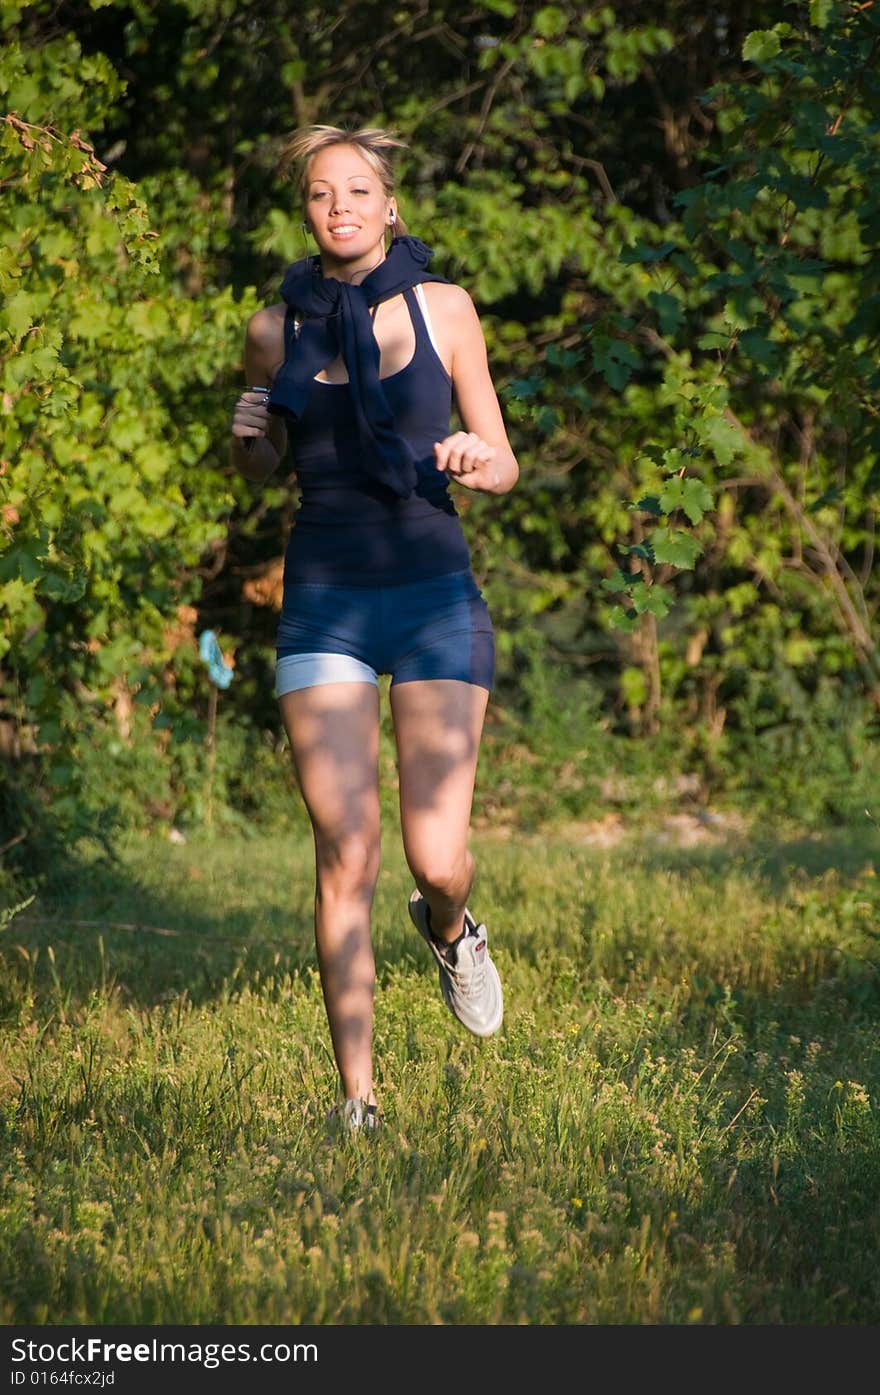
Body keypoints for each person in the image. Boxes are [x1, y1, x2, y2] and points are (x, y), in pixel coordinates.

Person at [230, 124, 519, 1132]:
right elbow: (263, 472)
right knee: (345, 845)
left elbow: (503, 455)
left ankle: (450, 927)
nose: (340, 206)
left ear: (389, 207)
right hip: (326, 598)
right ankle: (357, 1100)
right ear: (306, 213)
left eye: (358, 191)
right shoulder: (275, 331)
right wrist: (250, 444)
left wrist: (479, 460)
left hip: (434, 594)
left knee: (435, 855)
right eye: (320, 194)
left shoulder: (445, 309)